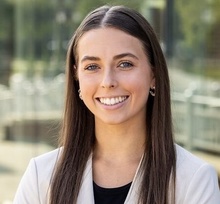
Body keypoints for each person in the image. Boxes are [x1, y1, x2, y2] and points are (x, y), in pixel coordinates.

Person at [13, 5, 220, 204]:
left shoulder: (194, 179)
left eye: (125, 64)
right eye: (92, 66)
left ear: (154, 75)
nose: (107, 81)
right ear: (77, 77)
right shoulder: (42, 175)